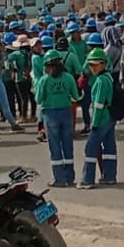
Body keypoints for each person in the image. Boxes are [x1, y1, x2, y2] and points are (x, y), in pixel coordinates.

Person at [35, 52, 81, 188]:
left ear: (47, 66)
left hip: (50, 114)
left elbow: (38, 99)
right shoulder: (68, 77)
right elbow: (76, 96)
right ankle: (70, 177)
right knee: (68, 146)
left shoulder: (44, 80)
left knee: (54, 146)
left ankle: (59, 178)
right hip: (66, 113)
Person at [80, 48, 119, 189]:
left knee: (90, 149)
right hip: (110, 117)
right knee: (109, 148)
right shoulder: (108, 77)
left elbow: (98, 105)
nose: (92, 67)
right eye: (91, 64)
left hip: (101, 119)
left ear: (103, 64)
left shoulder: (100, 81)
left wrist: (94, 124)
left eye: (95, 64)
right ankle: (109, 176)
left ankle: (87, 180)